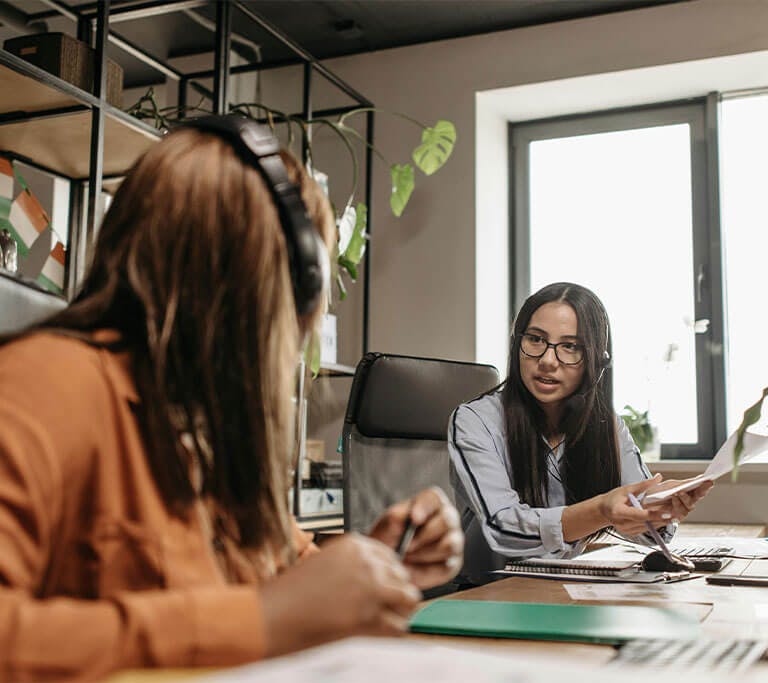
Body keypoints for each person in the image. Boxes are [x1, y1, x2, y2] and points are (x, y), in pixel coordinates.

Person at [0, 116, 463, 680]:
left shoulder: (207, 428)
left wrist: (381, 566)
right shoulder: (43, 385)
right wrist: (264, 618)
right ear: (268, 291)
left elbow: (290, 572)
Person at [447, 282, 711, 581]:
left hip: (568, 589)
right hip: (485, 597)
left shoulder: (606, 426)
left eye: (570, 347)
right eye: (535, 339)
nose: (547, 361)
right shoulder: (475, 420)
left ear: (597, 362)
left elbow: (646, 534)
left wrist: (658, 510)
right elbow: (503, 527)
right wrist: (602, 510)